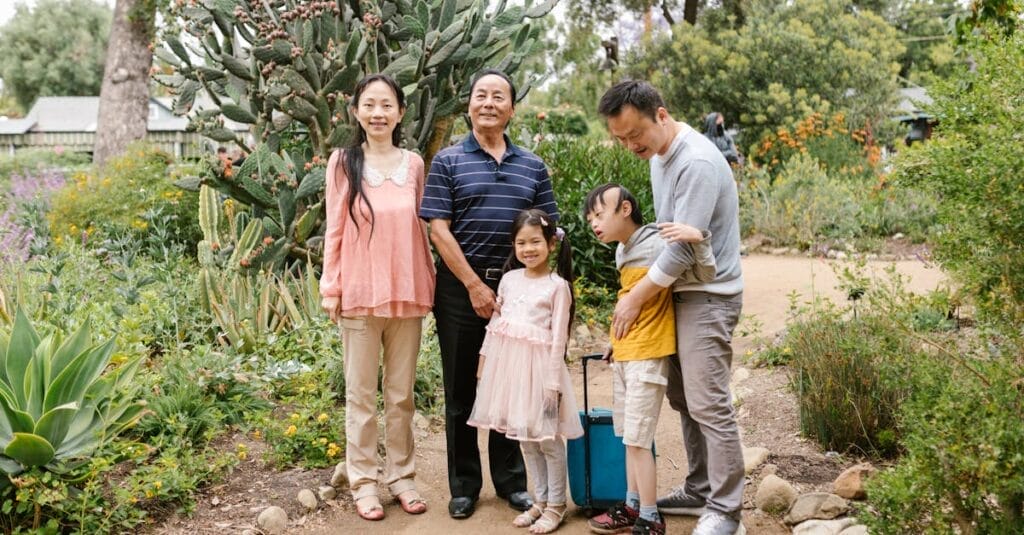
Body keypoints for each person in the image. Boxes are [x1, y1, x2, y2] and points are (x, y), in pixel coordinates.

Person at [597, 81, 745, 535]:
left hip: (709, 296)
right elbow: (665, 238)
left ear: (660, 115)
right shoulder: (660, 157)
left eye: (634, 133)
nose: (630, 145)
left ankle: (725, 508)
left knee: (708, 402)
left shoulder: (696, 161)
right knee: (684, 400)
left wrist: (634, 301)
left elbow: (681, 249)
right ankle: (699, 488)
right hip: (676, 296)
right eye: (620, 138)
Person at [420, 68, 559, 519]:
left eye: (499, 96)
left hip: (518, 293)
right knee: (461, 389)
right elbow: (438, 230)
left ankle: (512, 483)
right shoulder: (447, 161)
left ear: (512, 109)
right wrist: (475, 285)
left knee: (512, 384)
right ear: (469, 106)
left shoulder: (533, 166)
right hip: (461, 291)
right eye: (481, 95)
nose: (489, 103)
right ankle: (463, 485)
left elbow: (548, 229)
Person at [320, 74, 435, 521]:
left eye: (386, 105)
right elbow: (333, 228)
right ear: (356, 112)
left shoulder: (414, 164)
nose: (378, 113)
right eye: (369, 105)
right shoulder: (343, 162)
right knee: (361, 396)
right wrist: (331, 286)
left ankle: (402, 477)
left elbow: (422, 228)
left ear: (400, 112)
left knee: (401, 395)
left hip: (407, 293)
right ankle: (363, 481)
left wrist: (428, 282)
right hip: (359, 294)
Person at [582, 184, 716, 535]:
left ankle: (651, 517)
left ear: (625, 209)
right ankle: (631, 504)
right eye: (590, 219)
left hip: (648, 354)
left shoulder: (658, 240)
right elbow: (629, 299)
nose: (594, 223)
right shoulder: (622, 251)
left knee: (639, 440)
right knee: (629, 437)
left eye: (600, 214)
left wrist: (699, 238)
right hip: (626, 353)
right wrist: (613, 340)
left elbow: (704, 272)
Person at [467, 209, 584, 534]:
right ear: (513, 246)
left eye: (535, 241)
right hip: (510, 374)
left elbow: (559, 337)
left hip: (543, 376)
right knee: (526, 440)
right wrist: (484, 362)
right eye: (521, 243)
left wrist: (552, 384)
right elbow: (496, 326)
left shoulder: (557, 286)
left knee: (547, 440)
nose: (528, 249)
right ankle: (540, 501)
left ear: (550, 243)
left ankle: (557, 505)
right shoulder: (509, 280)